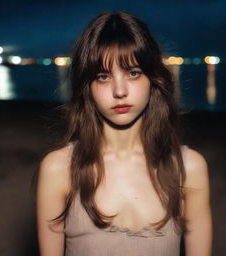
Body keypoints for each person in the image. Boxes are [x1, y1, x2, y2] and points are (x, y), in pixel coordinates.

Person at [36, 11, 212, 256]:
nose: (120, 91)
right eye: (103, 76)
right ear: (88, 87)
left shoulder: (189, 168)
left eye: (133, 73)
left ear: (153, 78)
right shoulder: (59, 168)